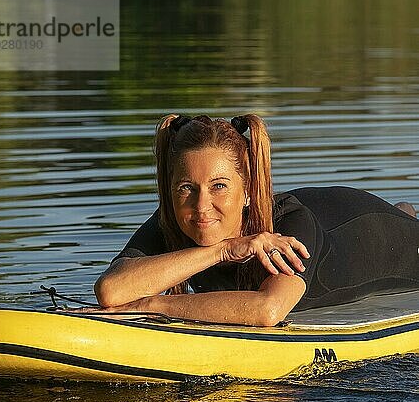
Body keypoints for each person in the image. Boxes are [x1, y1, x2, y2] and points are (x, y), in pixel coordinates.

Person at [93, 114, 419, 327]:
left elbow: (268, 309)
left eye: (219, 186)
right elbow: (111, 291)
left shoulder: (288, 226)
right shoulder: (176, 220)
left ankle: (405, 217)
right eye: (186, 188)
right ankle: (404, 210)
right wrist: (223, 250)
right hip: (331, 214)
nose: (201, 205)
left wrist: (154, 305)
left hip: (367, 231)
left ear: (247, 190)